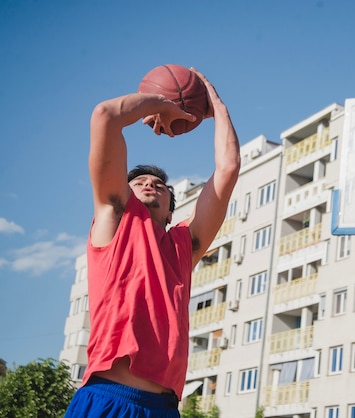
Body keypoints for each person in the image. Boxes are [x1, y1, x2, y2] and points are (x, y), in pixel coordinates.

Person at [65, 68, 240, 417]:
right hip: (106, 398)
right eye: (139, 181)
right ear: (122, 191)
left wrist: (215, 105)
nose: (150, 183)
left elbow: (228, 168)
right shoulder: (114, 220)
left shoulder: (183, 246)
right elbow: (105, 116)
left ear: (171, 210)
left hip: (162, 408)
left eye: (159, 184)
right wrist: (160, 103)